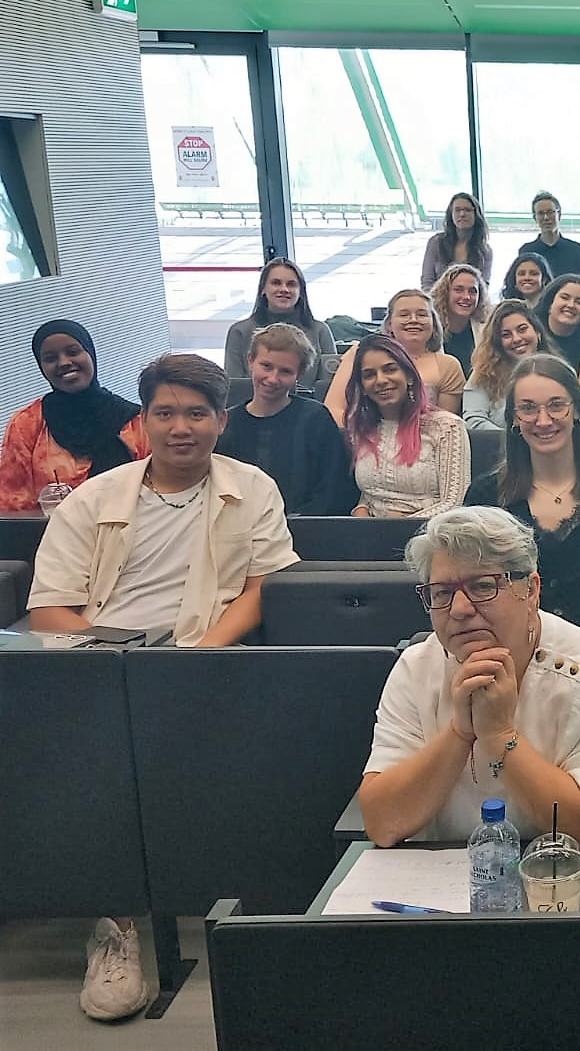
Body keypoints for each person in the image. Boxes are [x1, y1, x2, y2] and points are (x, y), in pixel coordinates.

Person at [28, 353, 297, 1021]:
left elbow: (264, 587)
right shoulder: (95, 498)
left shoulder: (252, 487)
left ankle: (255, 914)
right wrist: (118, 663)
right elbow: (50, 608)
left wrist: (199, 652)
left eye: (197, 413)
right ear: (142, 421)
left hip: (209, 662)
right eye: (166, 413)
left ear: (221, 420)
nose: (182, 427)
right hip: (100, 669)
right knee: (95, 762)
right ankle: (116, 926)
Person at [358, 506, 580, 906]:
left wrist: (501, 735)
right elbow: (382, 823)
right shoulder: (415, 669)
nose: (460, 609)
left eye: (483, 586)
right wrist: (460, 732)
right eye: (442, 593)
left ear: (531, 591)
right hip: (442, 892)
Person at [464, 354, 580, 629]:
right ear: (513, 419)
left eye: (556, 405)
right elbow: (474, 596)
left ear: (577, 412)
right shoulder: (484, 498)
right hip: (509, 655)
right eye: (528, 408)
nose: (544, 420)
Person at [0, 320, 148, 512]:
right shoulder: (27, 424)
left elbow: (157, 493)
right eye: (50, 358)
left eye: (73, 351)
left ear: (90, 353)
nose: (64, 362)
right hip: (53, 538)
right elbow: (12, 504)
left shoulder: (136, 422)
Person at [215, 324, 357, 516]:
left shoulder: (316, 419)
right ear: (250, 360)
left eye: (285, 371)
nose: (273, 379)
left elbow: (334, 488)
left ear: (299, 374)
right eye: (266, 366)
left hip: (305, 529)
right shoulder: (227, 424)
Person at [344, 334, 469, 519]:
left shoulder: (447, 427)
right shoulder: (361, 428)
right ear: (362, 386)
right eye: (369, 375)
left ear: (409, 376)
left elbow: (453, 504)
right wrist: (360, 509)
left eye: (390, 369)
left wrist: (400, 524)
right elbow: (373, 490)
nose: (380, 380)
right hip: (368, 535)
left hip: (430, 536)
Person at [324, 289, 466, 425]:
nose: (413, 320)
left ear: (434, 323)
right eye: (404, 315)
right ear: (390, 324)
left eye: (422, 314)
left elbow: (447, 423)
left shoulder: (448, 365)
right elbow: (333, 410)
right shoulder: (359, 354)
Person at [221, 257, 337, 389]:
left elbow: (329, 387)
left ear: (300, 292)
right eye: (276, 283)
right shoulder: (239, 332)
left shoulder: (320, 330)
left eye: (291, 284)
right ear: (263, 289)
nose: (284, 289)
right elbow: (234, 388)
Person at [463, 299, 545, 430]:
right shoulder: (484, 374)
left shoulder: (560, 372)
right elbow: (474, 421)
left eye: (522, 329)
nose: (517, 339)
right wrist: (512, 441)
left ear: (538, 333)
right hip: (501, 447)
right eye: (506, 335)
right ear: (497, 342)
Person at [533, 273, 580, 390]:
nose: (571, 305)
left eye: (579, 302)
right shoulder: (532, 329)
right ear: (550, 303)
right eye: (565, 297)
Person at [515, 191, 580, 290]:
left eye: (550, 212)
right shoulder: (527, 251)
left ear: (559, 214)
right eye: (541, 213)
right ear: (535, 218)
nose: (546, 218)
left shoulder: (575, 249)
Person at [430, 263, 490, 380]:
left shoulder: (486, 329)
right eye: (458, 290)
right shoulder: (430, 328)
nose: (466, 297)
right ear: (445, 293)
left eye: (472, 291)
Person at [421, 191, 492, 288]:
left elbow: (484, 287)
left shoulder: (485, 251)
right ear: (451, 214)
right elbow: (427, 282)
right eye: (457, 210)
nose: (462, 214)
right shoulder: (436, 243)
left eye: (467, 210)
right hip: (437, 300)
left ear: (476, 215)